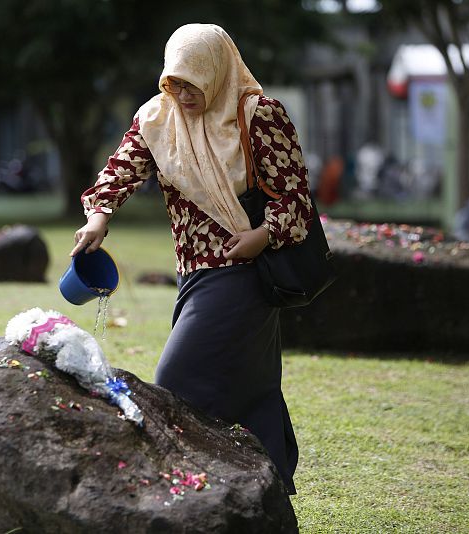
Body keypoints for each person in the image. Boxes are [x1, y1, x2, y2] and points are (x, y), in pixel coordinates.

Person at [70, 24, 313, 495]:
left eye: (191, 82)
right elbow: (120, 171)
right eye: (172, 81)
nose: (181, 93)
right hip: (193, 274)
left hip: (245, 273)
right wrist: (99, 216)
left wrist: (261, 236)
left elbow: (298, 202)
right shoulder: (157, 118)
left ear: (216, 72)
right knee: (250, 389)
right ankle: (263, 500)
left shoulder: (259, 115)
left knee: (174, 382)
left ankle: (179, 494)